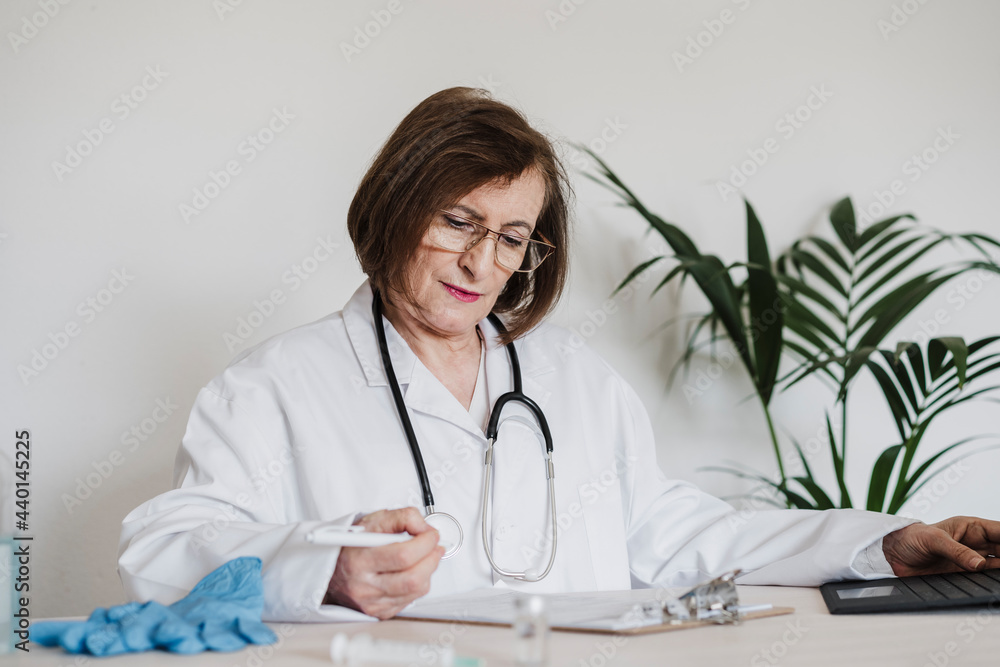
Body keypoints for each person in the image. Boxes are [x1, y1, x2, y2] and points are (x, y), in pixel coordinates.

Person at [118, 87, 1000, 623]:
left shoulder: (573, 381)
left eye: (512, 237)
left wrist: (883, 543)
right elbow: (162, 550)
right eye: (458, 220)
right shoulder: (271, 387)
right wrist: (324, 567)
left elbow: (688, 540)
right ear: (393, 208)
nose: (482, 263)